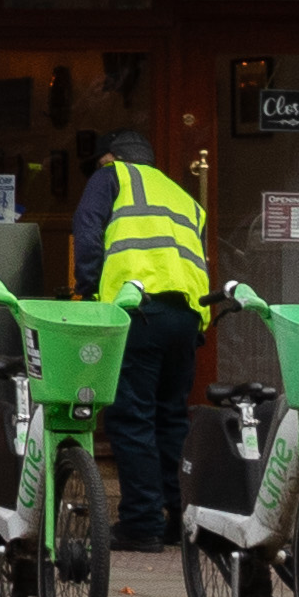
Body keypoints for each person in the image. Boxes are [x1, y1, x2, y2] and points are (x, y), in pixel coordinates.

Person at [76, 132, 212, 549]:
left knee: (131, 417)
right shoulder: (182, 196)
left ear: (112, 157)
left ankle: (141, 523)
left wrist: (89, 291)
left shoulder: (110, 177)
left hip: (137, 311)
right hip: (186, 317)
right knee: (170, 418)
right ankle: (177, 519)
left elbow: (86, 228)